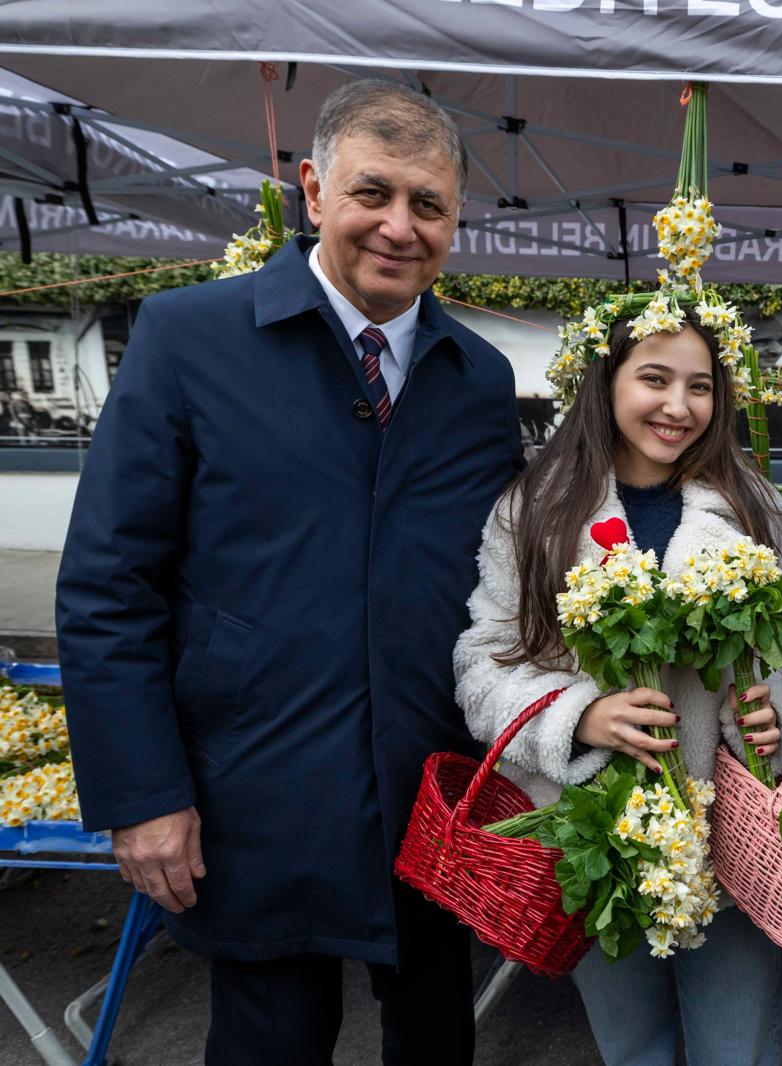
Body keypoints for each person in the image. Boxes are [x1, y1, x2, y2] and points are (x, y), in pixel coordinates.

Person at [54, 80, 522, 1065]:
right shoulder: (189, 337)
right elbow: (109, 585)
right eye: (372, 193)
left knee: (437, 1040)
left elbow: (502, 581)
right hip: (255, 790)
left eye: (428, 204)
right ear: (313, 190)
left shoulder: (479, 380)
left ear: (456, 219)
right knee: (272, 1043)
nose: (399, 227)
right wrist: (141, 793)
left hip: (429, 801)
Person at [453, 304, 782, 1065]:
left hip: (730, 838)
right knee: (632, 1047)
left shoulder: (757, 508)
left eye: (700, 386)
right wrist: (578, 717)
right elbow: (483, 662)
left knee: (739, 1049)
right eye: (654, 379)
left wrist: (770, 711)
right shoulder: (534, 510)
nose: (679, 406)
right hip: (592, 837)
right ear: (605, 381)